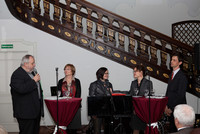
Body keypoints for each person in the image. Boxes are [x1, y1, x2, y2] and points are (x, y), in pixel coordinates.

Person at [10, 54, 44, 134]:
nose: (34, 65)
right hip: (25, 113)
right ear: (25, 64)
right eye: (32, 63)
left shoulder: (32, 72)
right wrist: (33, 81)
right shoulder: (17, 74)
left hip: (35, 112)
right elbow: (21, 89)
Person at [165, 53, 188, 133]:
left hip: (178, 110)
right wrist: (166, 106)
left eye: (174, 60)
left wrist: (171, 108)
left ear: (180, 63)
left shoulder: (182, 77)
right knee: (172, 130)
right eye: (171, 59)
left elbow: (180, 95)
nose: (171, 61)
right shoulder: (171, 74)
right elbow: (168, 92)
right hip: (170, 109)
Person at [129, 65, 153, 134]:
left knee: (145, 129)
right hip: (135, 110)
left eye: (135, 71)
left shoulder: (148, 82)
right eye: (133, 71)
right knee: (135, 129)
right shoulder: (133, 83)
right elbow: (131, 95)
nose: (134, 73)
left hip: (144, 110)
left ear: (141, 72)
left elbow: (148, 96)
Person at [57, 64, 81, 134]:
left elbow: (78, 94)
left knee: (74, 128)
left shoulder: (77, 81)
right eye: (65, 69)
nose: (65, 71)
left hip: (75, 107)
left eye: (68, 69)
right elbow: (59, 94)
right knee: (65, 127)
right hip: (64, 106)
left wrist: (73, 103)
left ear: (72, 71)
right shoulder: (60, 81)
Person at [89, 67, 113, 134]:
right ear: (100, 74)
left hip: (107, 110)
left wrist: (111, 93)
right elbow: (91, 99)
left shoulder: (109, 84)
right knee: (97, 131)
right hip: (97, 111)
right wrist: (93, 113)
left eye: (107, 73)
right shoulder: (94, 84)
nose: (107, 75)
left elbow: (111, 99)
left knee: (108, 130)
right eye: (105, 73)